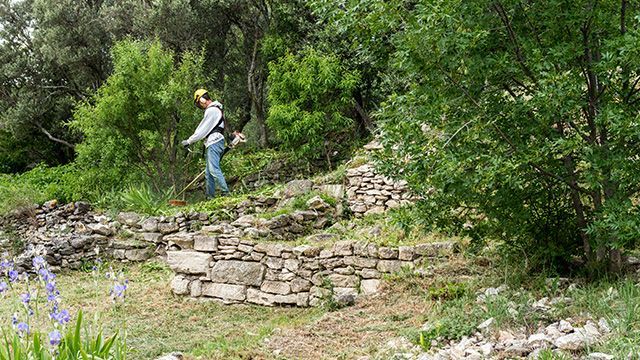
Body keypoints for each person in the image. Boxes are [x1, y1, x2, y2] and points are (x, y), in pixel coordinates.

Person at [181, 89, 229, 198]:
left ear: (202, 99)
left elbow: (202, 130)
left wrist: (189, 141)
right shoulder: (216, 109)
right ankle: (210, 197)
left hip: (214, 141)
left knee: (213, 169)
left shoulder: (211, 110)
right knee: (208, 173)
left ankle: (226, 193)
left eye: (199, 103)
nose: (200, 106)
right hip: (214, 141)